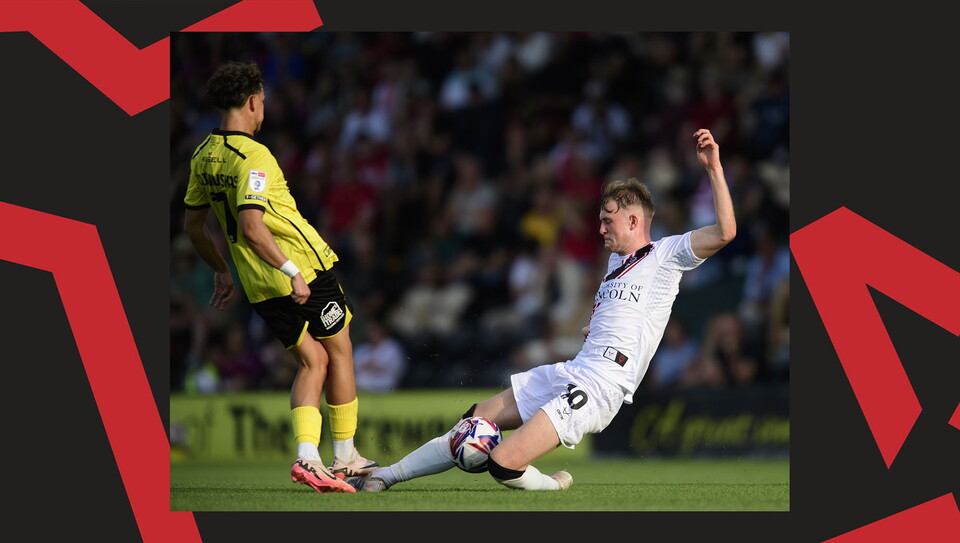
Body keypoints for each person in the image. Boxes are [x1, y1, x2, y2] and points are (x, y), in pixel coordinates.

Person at [348, 128, 736, 492]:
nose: (601, 229)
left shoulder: (665, 254)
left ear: (634, 220)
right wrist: (593, 329)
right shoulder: (615, 263)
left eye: (607, 221)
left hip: (600, 385)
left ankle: (553, 484)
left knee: (502, 464)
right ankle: (384, 476)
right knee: (474, 418)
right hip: (574, 368)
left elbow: (724, 232)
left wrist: (714, 169)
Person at [182, 61, 376, 494]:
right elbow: (252, 226)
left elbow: (193, 227)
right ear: (253, 101)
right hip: (300, 269)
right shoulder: (255, 156)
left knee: (312, 361)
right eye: (264, 101)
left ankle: (308, 457)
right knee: (339, 351)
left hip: (256, 283)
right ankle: (346, 457)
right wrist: (292, 271)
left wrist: (221, 270)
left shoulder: (202, 155)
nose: (264, 109)